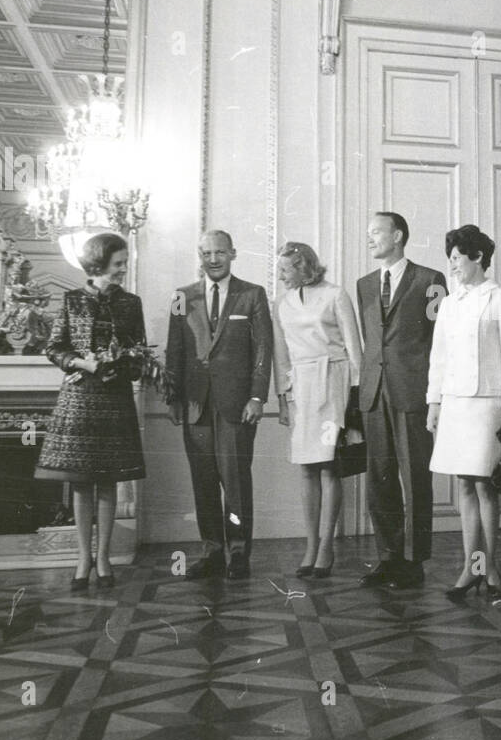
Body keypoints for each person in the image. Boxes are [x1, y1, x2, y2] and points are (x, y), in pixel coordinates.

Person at [35, 232, 146, 592]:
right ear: (98, 264)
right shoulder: (71, 301)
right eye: (118, 264)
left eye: (125, 263)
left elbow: (139, 354)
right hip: (80, 400)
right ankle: (84, 558)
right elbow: (53, 349)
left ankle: (104, 558)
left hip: (113, 401)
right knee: (81, 483)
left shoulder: (131, 303)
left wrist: (122, 365)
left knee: (109, 481)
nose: (123, 270)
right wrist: (84, 363)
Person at [165, 230, 274, 581]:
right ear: (199, 255)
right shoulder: (181, 297)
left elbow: (263, 350)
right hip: (195, 405)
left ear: (233, 253)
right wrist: (173, 398)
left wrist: (258, 397)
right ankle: (212, 552)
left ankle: (238, 554)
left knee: (236, 483)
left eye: (220, 252)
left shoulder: (252, 295)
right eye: (206, 253)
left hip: (236, 406)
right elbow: (174, 352)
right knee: (204, 482)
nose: (213, 259)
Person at [355, 212, 448, 590]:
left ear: (398, 235)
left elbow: (441, 338)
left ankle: (414, 561)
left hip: (413, 393)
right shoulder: (363, 285)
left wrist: (435, 394)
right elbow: (370, 339)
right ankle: (388, 558)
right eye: (368, 233)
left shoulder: (430, 280)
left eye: (376, 232)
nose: (370, 238)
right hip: (374, 393)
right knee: (379, 480)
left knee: (415, 479)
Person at [425, 225, 501, 604]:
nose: (452, 267)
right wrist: (434, 402)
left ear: (478, 257)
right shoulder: (448, 302)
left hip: (488, 402)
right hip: (455, 402)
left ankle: (489, 564)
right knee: (464, 484)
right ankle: (471, 566)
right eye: (449, 260)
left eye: (457, 259)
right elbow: (439, 356)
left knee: (485, 484)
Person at [271, 241, 362, 579]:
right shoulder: (282, 302)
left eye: (285, 269)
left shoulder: (335, 294)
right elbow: (282, 356)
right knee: (306, 468)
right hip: (300, 389)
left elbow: (355, 351)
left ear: (304, 266)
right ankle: (310, 545)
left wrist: (354, 402)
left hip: (333, 383)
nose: (280, 276)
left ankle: (326, 546)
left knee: (329, 467)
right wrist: (282, 396)